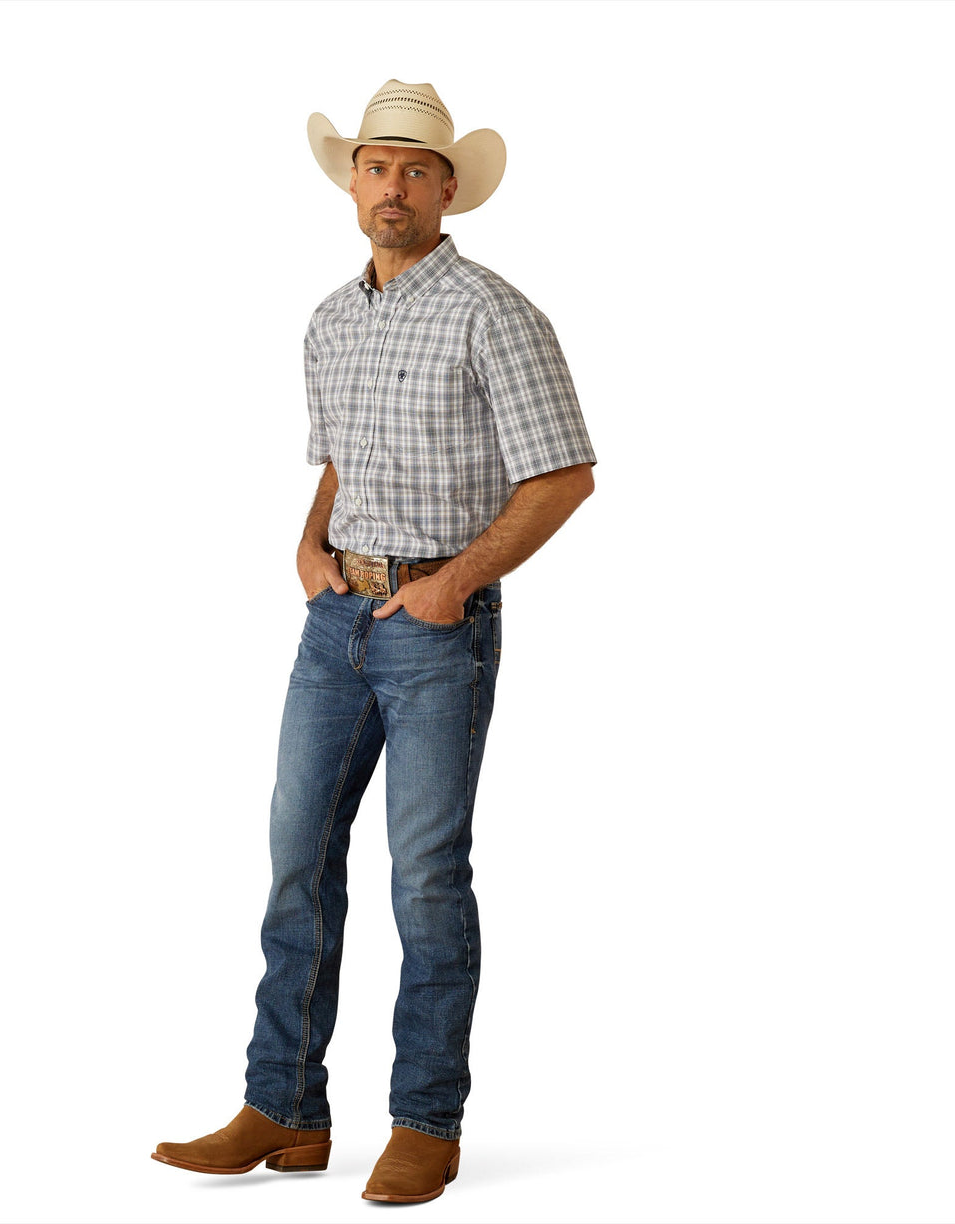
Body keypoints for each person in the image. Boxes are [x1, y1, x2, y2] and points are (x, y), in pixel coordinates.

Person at [151, 79, 596, 1204]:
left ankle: (426, 1121)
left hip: (439, 633)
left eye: (414, 169)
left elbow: (566, 476)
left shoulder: (496, 312)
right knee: (296, 857)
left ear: (449, 190)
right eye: (374, 165)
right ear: (352, 181)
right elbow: (340, 458)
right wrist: (307, 550)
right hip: (333, 623)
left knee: (426, 881)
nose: (390, 185)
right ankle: (285, 1108)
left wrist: (454, 585)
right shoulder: (330, 318)